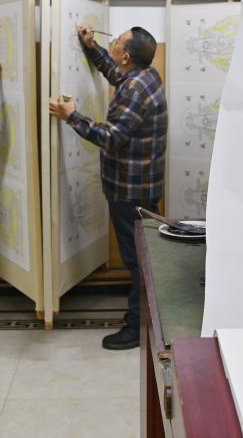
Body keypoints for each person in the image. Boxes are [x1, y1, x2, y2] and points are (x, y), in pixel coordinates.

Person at [48, 26, 168, 350]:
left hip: (130, 189)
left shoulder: (135, 89)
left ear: (126, 56)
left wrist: (71, 116)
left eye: (116, 41)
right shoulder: (145, 75)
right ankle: (150, 320)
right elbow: (116, 74)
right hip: (140, 184)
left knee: (137, 260)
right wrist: (92, 47)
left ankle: (138, 328)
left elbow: (112, 138)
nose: (112, 41)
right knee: (144, 254)